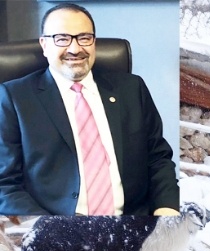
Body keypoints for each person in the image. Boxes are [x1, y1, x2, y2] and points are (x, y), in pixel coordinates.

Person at [0, 3, 180, 216]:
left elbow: (158, 158)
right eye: (62, 38)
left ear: (94, 42)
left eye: (84, 38)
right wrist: (49, 228)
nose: (75, 49)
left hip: (132, 225)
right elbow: (5, 184)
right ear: (44, 45)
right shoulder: (15, 98)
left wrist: (167, 209)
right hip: (56, 230)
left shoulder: (131, 89)